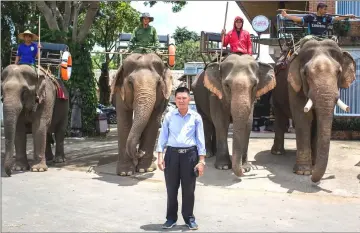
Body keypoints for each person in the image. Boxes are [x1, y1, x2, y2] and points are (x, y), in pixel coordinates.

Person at [156, 86, 206, 230]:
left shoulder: (196, 117)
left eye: (184, 98)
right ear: (175, 100)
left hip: (190, 155)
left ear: (189, 99)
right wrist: (160, 156)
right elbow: (163, 137)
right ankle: (171, 218)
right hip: (171, 155)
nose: (181, 101)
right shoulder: (169, 116)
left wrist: (201, 161)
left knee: (189, 190)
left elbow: (200, 140)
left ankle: (189, 218)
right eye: (178, 98)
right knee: (171, 189)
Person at [281, 2, 356, 36]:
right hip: (312, 37)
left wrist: (348, 16)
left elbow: (337, 18)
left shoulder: (327, 18)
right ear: (319, 9)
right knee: (303, 43)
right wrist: (286, 15)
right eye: (324, 9)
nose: (326, 11)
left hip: (324, 38)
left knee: (334, 42)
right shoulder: (311, 16)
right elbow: (298, 19)